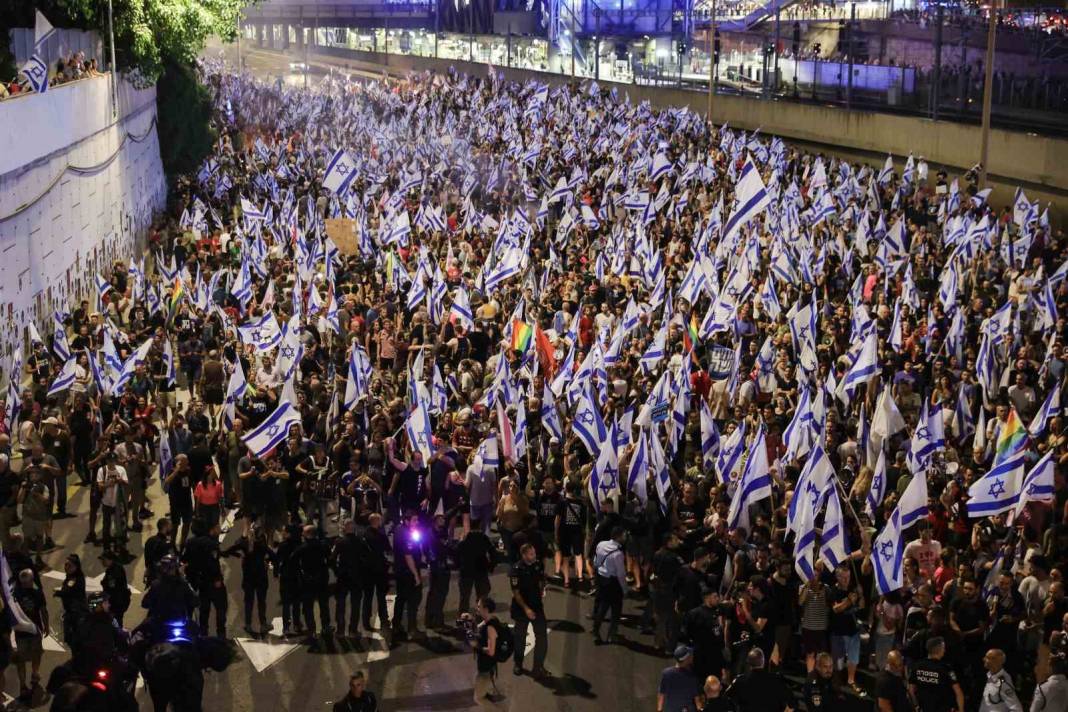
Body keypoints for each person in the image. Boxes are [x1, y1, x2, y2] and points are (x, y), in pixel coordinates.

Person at [510, 542, 548, 678]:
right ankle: (518, 664)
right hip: (521, 609)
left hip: (537, 606)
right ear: (524, 555)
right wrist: (526, 609)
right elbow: (516, 592)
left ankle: (538, 666)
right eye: (531, 554)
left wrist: (543, 588)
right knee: (520, 637)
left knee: (542, 637)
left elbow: (542, 579)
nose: (534, 556)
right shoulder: (516, 570)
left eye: (534, 553)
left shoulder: (538, 565)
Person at [467, 597, 506, 710]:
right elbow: (478, 629)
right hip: (488, 667)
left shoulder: (490, 628)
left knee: (478, 698)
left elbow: (491, 651)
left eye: (479, 606)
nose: (477, 608)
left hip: (486, 669)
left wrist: (477, 646)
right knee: (482, 691)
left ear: (486, 609)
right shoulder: (491, 619)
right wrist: (470, 622)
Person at [725, 648, 793, 712]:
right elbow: (792, 703)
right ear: (763, 662)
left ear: (748, 663)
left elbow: (726, 698)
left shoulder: (739, 681)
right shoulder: (776, 679)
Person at [592, 525, 627, 644]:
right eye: (624, 535)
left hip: (601, 578)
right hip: (613, 582)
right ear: (619, 537)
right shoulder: (618, 553)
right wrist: (625, 589)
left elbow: (596, 561)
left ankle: (595, 629)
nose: (625, 537)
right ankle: (612, 635)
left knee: (602, 606)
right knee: (616, 609)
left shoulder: (601, 544)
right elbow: (621, 574)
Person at [909, 637, 965, 712]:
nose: (944, 651)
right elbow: (958, 692)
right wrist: (961, 710)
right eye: (943, 648)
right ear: (939, 649)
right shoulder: (946, 669)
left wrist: (916, 705)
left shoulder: (917, 666)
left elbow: (911, 690)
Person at [657, 646, 701, 712]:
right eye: (691, 655)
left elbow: (661, 694)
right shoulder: (691, 676)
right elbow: (697, 698)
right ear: (686, 659)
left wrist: (659, 710)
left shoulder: (666, 673)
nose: (692, 656)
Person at [99, 548, 131, 627]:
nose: (102, 562)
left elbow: (112, 588)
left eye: (104, 559)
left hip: (117, 603)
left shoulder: (114, 571)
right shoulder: (114, 568)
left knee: (116, 624)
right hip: (118, 601)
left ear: (110, 560)